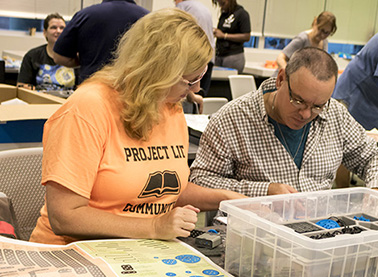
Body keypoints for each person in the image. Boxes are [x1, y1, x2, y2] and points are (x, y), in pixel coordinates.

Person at [29, 8, 244, 245]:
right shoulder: (87, 108)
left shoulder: (169, 107)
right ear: (158, 71)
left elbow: (167, 190)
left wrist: (227, 198)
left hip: (136, 249)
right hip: (73, 251)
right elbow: (65, 217)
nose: (195, 89)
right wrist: (152, 226)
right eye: (190, 79)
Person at [189, 47, 378, 196]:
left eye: (317, 106)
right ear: (281, 79)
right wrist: (263, 190)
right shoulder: (232, 119)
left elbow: (372, 156)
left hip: (316, 234)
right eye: (298, 101)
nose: (306, 114)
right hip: (254, 233)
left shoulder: (335, 114)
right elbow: (200, 181)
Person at [53, 0, 149, 84]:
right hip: (132, 92)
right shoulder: (147, 18)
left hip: (91, 90)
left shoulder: (84, 15)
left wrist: (86, 61)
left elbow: (59, 57)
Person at [17, 13, 76, 91]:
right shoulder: (32, 56)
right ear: (45, 32)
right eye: (53, 27)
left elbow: (83, 87)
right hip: (40, 101)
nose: (58, 31)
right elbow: (21, 86)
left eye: (62, 28)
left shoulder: (76, 56)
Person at [175, 0, 214, 97]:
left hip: (194, 58)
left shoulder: (181, 7)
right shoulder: (203, 7)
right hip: (208, 57)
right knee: (200, 95)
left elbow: (174, 33)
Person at [212, 0, 251, 74]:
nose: (221, 6)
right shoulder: (224, 14)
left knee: (228, 84)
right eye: (219, 4)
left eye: (223, 3)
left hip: (233, 56)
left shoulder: (242, 14)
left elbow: (246, 36)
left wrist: (224, 36)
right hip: (220, 55)